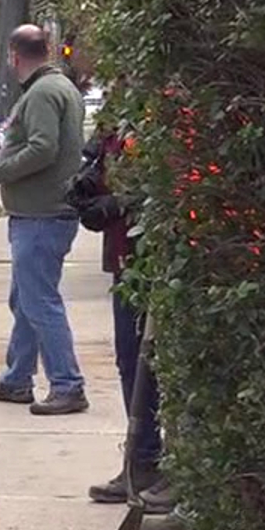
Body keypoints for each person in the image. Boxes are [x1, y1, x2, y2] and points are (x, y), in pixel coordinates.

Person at [0, 24, 89, 416]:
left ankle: (67, 384)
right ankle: (17, 379)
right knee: (25, 299)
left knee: (40, 301)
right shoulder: (61, 88)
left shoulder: (42, 93)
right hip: (45, 212)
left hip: (41, 214)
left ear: (14, 56)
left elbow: (43, 148)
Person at [72, 124, 165, 504]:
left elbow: (171, 180)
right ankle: (141, 461)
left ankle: (174, 468)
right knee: (131, 361)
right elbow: (108, 161)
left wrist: (125, 202)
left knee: (157, 364)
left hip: (155, 256)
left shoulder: (162, 105)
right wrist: (91, 179)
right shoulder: (120, 117)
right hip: (125, 257)